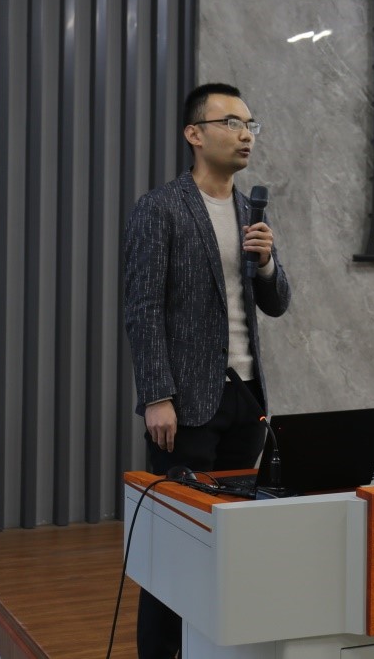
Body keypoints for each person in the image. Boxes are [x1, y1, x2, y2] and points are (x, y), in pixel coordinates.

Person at [122, 82, 292, 658]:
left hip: (246, 399)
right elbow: (142, 307)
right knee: (174, 545)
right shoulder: (161, 208)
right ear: (195, 134)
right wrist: (157, 395)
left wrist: (266, 264)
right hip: (186, 404)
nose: (246, 135)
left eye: (251, 124)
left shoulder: (250, 212)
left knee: (232, 542)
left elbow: (276, 303)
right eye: (231, 123)